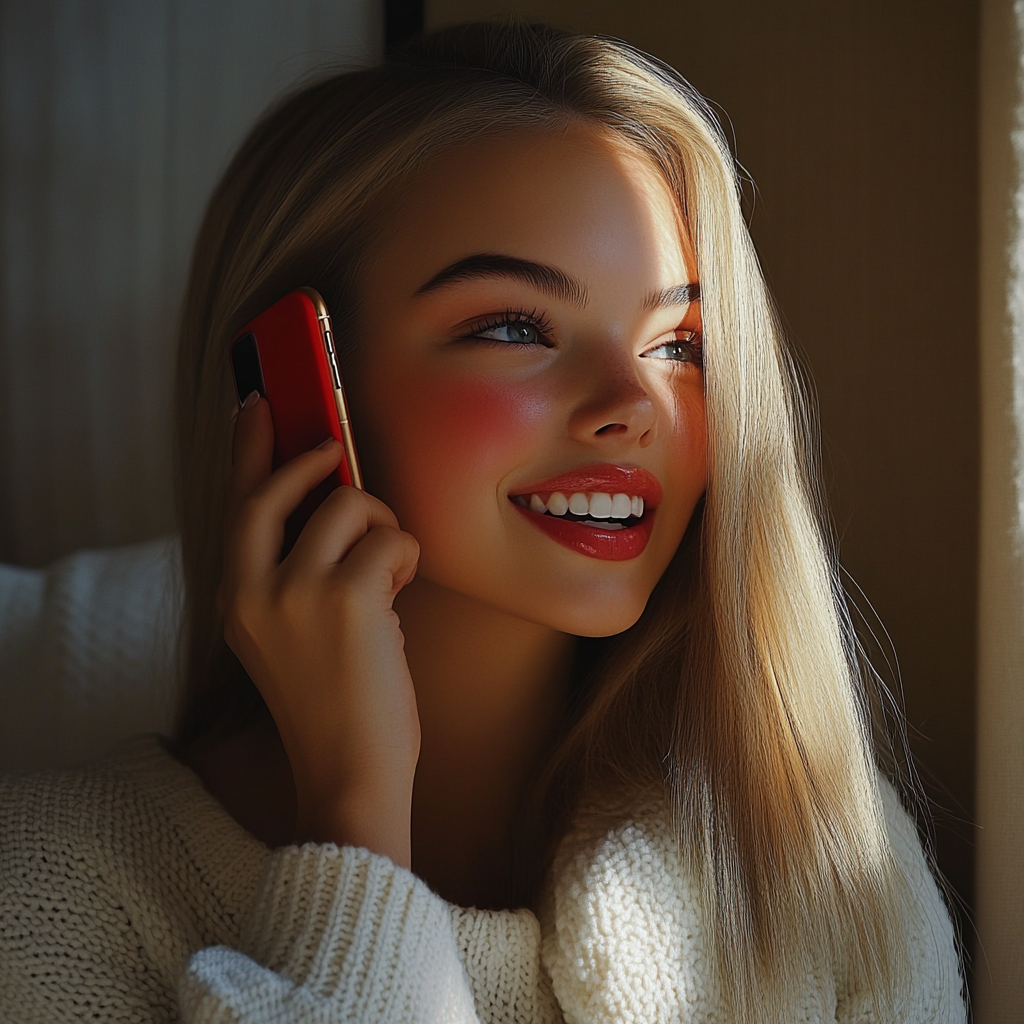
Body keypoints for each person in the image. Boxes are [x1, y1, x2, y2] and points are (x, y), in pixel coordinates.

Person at [0, 21, 964, 1023]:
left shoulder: (816, 865)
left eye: (678, 343)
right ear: (290, 387)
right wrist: (356, 820)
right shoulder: (45, 897)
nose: (630, 403)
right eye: (513, 326)